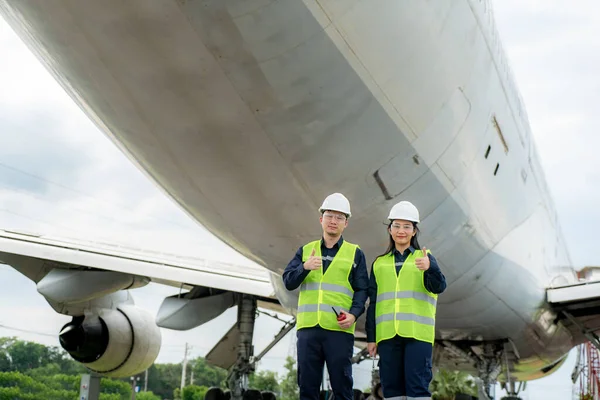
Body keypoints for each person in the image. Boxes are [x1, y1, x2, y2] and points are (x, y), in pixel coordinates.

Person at [283, 193, 369, 400]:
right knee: (307, 387)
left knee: (342, 386)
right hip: (309, 330)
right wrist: (304, 267)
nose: (333, 221)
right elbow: (288, 281)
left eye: (339, 217)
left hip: (338, 330)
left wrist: (354, 315)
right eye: (330, 216)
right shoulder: (305, 251)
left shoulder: (355, 253)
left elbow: (362, 290)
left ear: (346, 223)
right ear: (321, 218)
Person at [366, 201, 446, 400]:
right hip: (387, 336)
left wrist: (430, 268)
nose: (401, 231)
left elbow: (439, 287)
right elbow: (373, 303)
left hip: (417, 335)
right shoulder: (379, 263)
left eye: (407, 226)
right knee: (391, 390)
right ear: (390, 229)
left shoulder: (425, 258)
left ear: (414, 231)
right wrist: (371, 337)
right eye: (397, 226)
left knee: (417, 389)